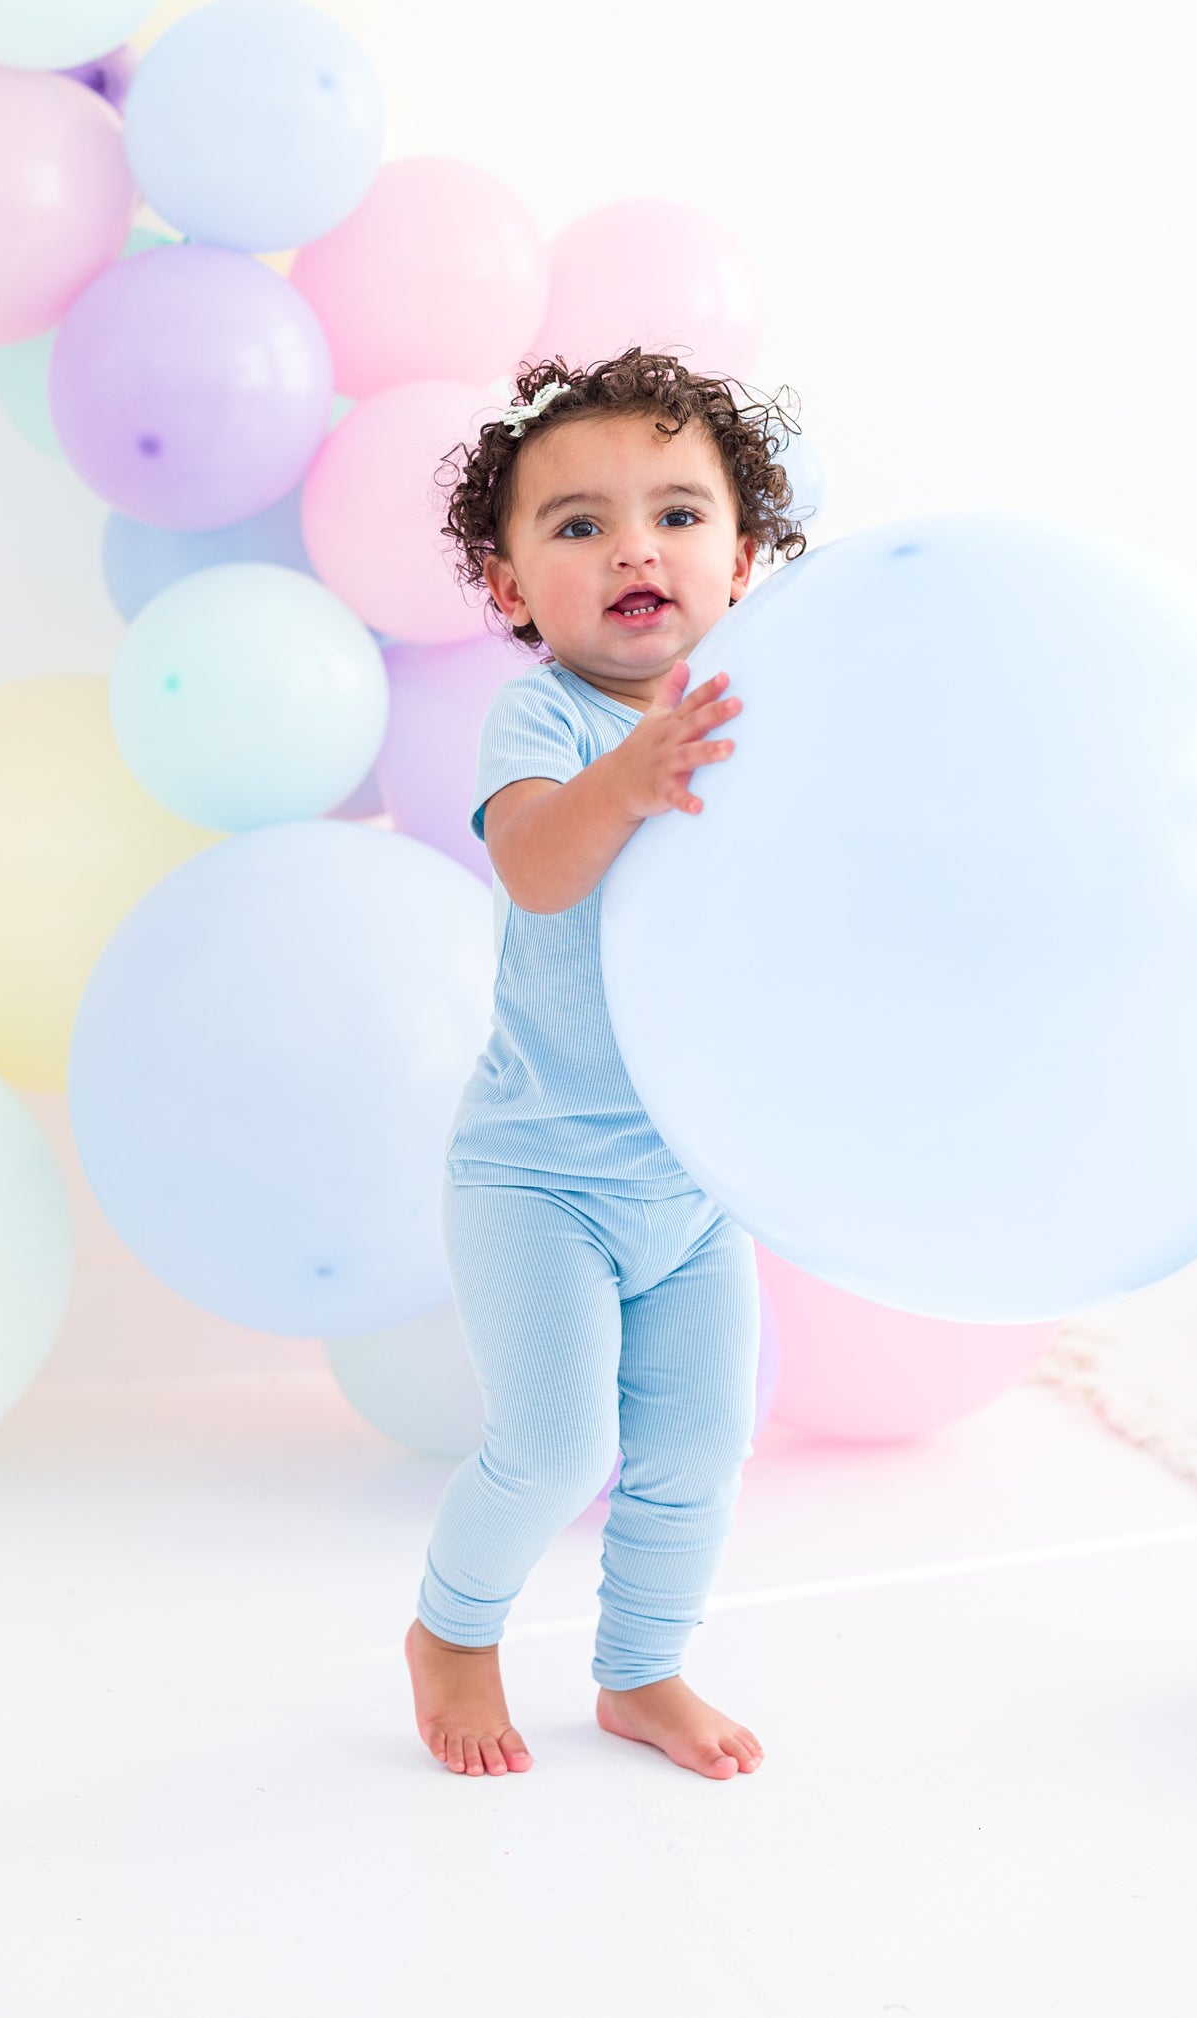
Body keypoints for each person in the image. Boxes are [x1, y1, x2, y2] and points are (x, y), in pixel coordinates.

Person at [403, 347, 808, 1779]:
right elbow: (536, 867)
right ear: (513, 591)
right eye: (577, 524)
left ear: (746, 558)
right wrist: (627, 780)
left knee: (701, 1447)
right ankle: (453, 1628)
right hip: (540, 1176)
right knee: (562, 1446)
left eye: (678, 514)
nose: (634, 544)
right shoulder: (551, 721)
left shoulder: (768, 725)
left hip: (693, 1178)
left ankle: (642, 1668)